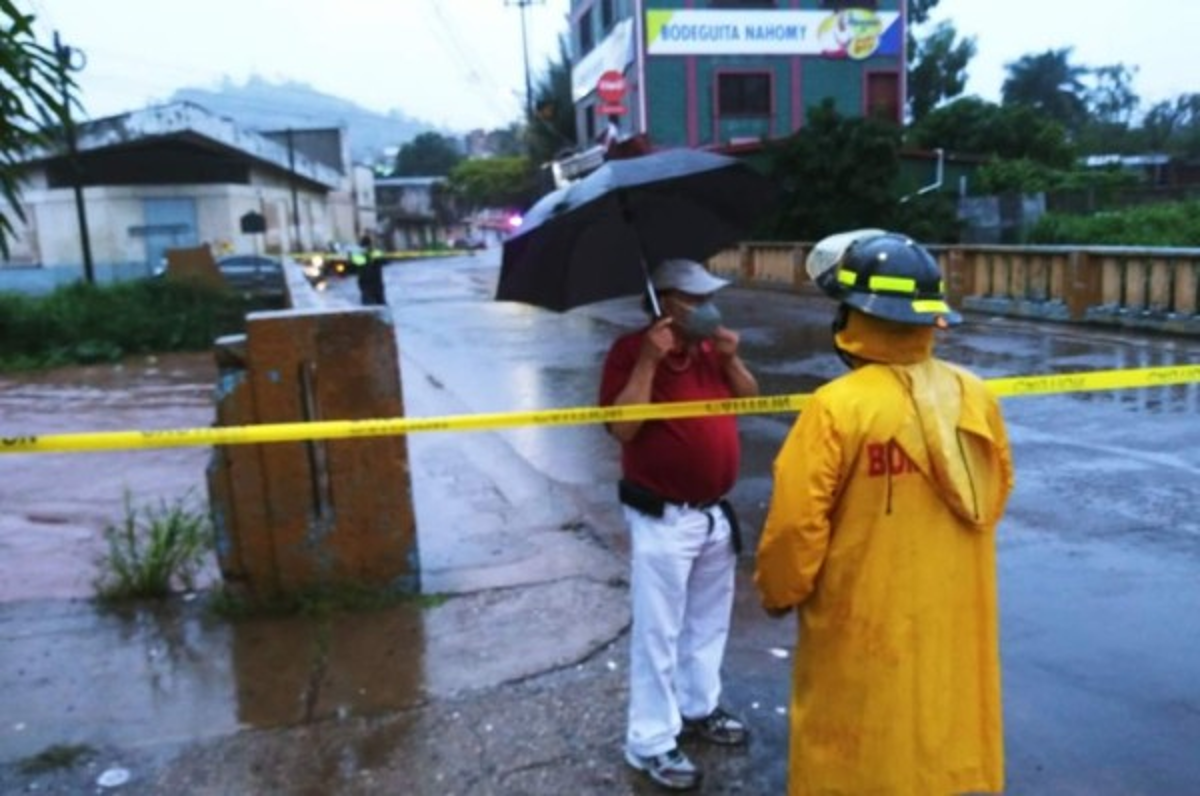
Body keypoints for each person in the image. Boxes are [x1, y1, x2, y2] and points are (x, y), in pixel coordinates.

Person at [754, 231, 1015, 795]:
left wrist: (779, 591)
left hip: (862, 630)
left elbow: (797, 527)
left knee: (861, 755)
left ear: (854, 316)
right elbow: (996, 493)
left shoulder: (838, 409)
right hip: (952, 620)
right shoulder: (974, 397)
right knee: (943, 747)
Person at [598, 258, 759, 791]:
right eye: (696, 299)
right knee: (658, 632)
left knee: (708, 623)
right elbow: (622, 431)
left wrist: (733, 361)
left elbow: (751, 399)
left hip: (713, 514)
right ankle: (649, 741)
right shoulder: (629, 352)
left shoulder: (712, 350)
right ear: (666, 303)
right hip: (663, 517)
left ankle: (698, 706)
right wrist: (648, 360)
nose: (708, 307)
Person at [356, 232, 387, 306]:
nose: (366, 248)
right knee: (376, 303)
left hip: (372, 283)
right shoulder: (359, 255)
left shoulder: (375, 253)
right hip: (369, 283)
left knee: (376, 303)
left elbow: (384, 261)